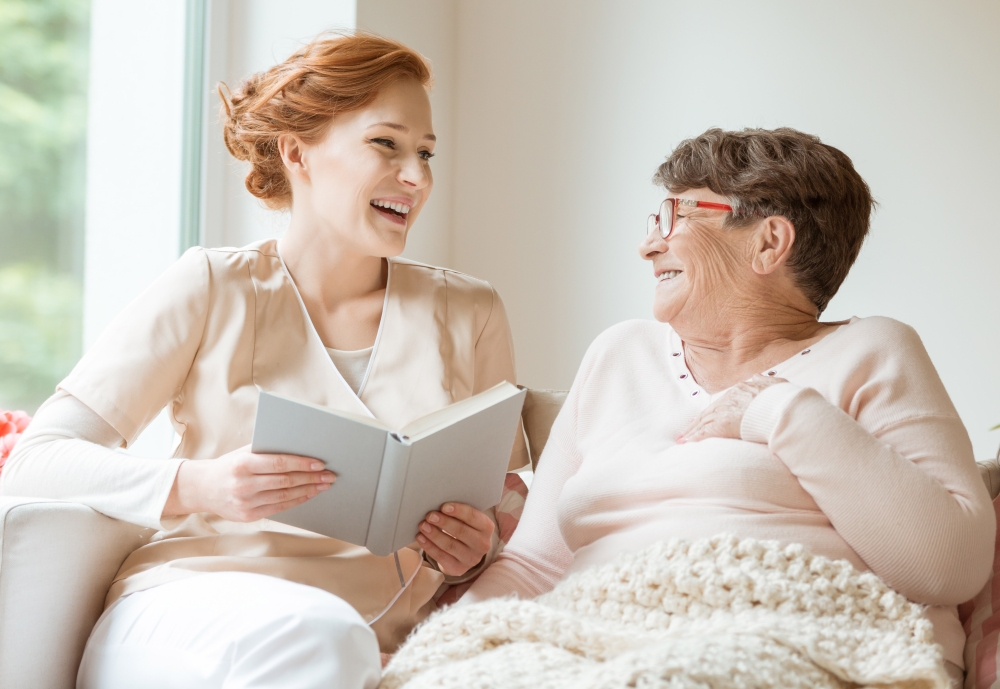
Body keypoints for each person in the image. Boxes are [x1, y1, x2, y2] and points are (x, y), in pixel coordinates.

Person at [1, 32, 528, 689]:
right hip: (184, 605)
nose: (416, 177)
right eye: (385, 144)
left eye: (425, 153)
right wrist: (202, 485)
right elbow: (38, 459)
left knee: (332, 641)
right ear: (297, 151)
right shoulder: (210, 285)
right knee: (322, 637)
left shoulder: (471, 312)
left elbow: (508, 508)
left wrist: (476, 545)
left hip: (369, 635)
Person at [463, 127, 993, 687]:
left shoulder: (874, 349)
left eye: (676, 218)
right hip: (590, 634)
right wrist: (455, 643)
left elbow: (948, 567)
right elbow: (533, 566)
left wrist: (781, 413)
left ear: (768, 242)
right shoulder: (619, 354)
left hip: (792, 637)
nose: (648, 245)